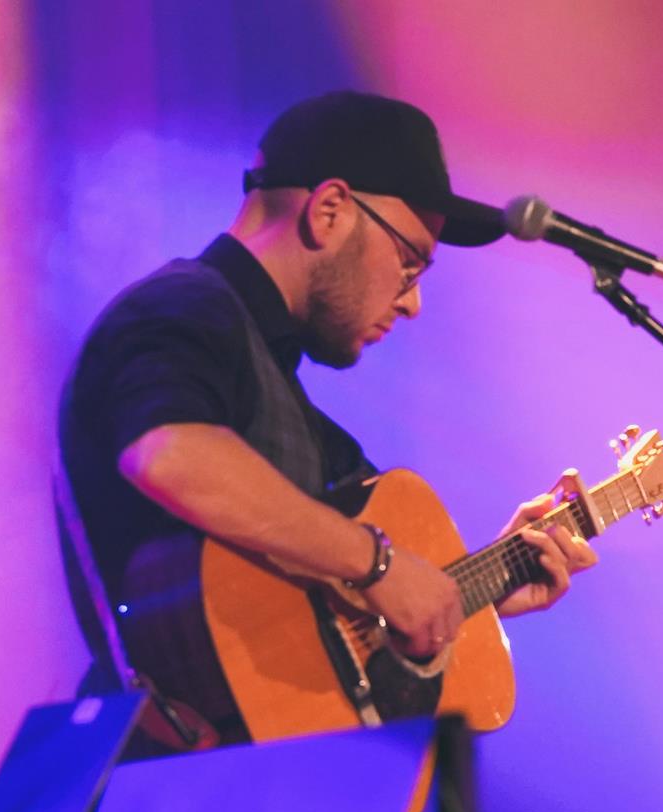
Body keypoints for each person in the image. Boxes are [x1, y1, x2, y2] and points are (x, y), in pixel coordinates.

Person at [58, 91, 596, 744]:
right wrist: (379, 566)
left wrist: (469, 591)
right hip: (144, 782)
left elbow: (317, 618)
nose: (414, 302)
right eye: (409, 262)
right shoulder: (180, 308)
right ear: (330, 210)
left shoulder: (291, 406)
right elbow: (170, 453)